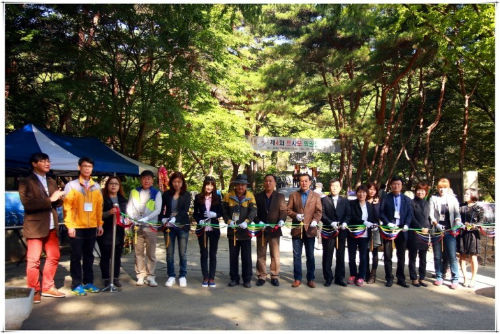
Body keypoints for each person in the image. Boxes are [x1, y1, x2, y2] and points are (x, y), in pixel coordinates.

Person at [19, 153, 66, 303]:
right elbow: (28, 204)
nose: (47, 163)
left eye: (48, 160)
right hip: (35, 226)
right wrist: (50, 200)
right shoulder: (25, 182)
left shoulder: (51, 181)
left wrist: (60, 200)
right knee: (34, 260)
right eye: (43, 161)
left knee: (54, 256)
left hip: (52, 226)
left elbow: (54, 203)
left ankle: (47, 286)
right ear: (34, 164)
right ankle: (33, 290)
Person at [63, 157, 103, 295]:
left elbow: (98, 208)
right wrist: (70, 226)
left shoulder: (96, 187)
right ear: (79, 167)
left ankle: (88, 282)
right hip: (77, 227)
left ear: (92, 169)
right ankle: (76, 285)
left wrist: (99, 224)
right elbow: (67, 208)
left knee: (89, 256)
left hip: (91, 227)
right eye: (85, 166)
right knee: (76, 256)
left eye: (90, 166)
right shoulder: (71, 186)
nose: (87, 168)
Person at [127, 170, 162, 287]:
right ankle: (140, 275)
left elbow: (158, 209)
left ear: (152, 180)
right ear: (141, 180)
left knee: (151, 253)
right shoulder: (134, 192)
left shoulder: (156, 193)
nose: (146, 180)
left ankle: (151, 276)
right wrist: (132, 219)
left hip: (150, 226)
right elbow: (129, 207)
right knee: (138, 252)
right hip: (137, 226)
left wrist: (146, 218)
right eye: (144, 178)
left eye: (149, 178)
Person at [287, 173, 322, 288]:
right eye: (302, 181)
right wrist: (295, 215)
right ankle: (297, 278)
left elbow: (318, 211)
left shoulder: (315, 196)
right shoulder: (294, 195)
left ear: (310, 182)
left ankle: (310, 278)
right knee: (297, 255)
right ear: (299, 182)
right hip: (297, 229)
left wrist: (315, 221)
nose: (304, 183)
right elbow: (288, 210)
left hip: (310, 230)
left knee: (310, 255)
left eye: (306, 181)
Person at [222, 174, 257, 288]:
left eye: (243, 185)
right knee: (233, 256)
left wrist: (247, 222)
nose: (241, 187)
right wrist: (228, 221)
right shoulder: (228, 196)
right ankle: (234, 278)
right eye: (239, 185)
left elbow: (253, 211)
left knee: (246, 257)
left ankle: (247, 279)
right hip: (233, 232)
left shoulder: (250, 196)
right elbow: (224, 211)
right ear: (235, 185)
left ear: (246, 186)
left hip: (245, 232)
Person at [429, 178, 464, 289]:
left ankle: (455, 278)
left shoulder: (453, 199)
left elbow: (457, 214)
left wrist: (458, 221)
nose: (442, 190)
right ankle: (439, 276)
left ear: (448, 188)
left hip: (450, 230)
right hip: (437, 230)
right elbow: (431, 214)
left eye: (444, 188)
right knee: (437, 255)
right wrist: (436, 224)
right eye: (440, 188)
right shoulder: (433, 198)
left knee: (452, 255)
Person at [379, 176, 413, 288]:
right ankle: (389, 277)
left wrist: (407, 225)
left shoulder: (407, 199)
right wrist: (387, 222)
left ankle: (401, 278)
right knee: (388, 255)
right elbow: (381, 212)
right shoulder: (385, 198)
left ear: (401, 186)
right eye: (394, 184)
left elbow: (409, 214)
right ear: (391, 185)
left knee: (401, 255)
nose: (396, 186)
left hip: (402, 230)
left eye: (398, 184)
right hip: (389, 229)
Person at [254, 174, 287, 287]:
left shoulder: (280, 196)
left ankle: (274, 276)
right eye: (266, 181)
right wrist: (258, 221)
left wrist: (282, 220)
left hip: (274, 230)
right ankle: (262, 275)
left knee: (275, 255)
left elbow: (283, 211)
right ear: (264, 183)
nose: (268, 183)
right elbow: (254, 212)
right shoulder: (257, 196)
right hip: (261, 230)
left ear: (274, 183)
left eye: (270, 181)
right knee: (261, 254)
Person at [160, 172, 192, 288]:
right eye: (174, 181)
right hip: (169, 227)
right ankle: (171, 275)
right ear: (171, 182)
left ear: (182, 182)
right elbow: (161, 209)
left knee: (182, 253)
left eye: (179, 182)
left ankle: (183, 275)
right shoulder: (166, 194)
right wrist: (162, 220)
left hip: (182, 226)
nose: (176, 184)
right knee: (169, 253)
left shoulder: (187, 195)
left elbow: (185, 210)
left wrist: (175, 218)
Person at [97, 176, 128, 288]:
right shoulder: (102, 198)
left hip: (119, 231)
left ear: (119, 186)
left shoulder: (123, 199)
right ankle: (106, 278)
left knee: (117, 255)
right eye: (111, 183)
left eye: (116, 183)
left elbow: (126, 214)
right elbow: (98, 214)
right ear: (107, 185)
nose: (114, 185)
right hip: (105, 231)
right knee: (105, 256)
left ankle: (115, 277)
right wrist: (109, 212)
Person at [193, 176, 223, 288]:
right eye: (207, 184)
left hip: (214, 229)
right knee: (204, 253)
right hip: (202, 229)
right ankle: (205, 276)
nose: (209, 187)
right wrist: (199, 220)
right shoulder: (198, 197)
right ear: (204, 185)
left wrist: (215, 214)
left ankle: (212, 277)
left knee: (213, 254)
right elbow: (195, 213)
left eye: (211, 185)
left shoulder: (218, 197)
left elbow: (221, 212)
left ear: (214, 186)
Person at [320, 179, 351, 287]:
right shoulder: (324, 200)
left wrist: (345, 223)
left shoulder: (345, 201)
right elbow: (322, 214)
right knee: (327, 255)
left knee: (340, 255)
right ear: (330, 187)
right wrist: (330, 222)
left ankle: (340, 278)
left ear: (340, 188)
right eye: (332, 186)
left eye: (336, 186)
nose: (334, 188)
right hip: (328, 231)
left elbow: (348, 214)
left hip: (341, 232)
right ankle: (328, 277)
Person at [347, 185, 377, 287]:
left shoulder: (369, 206)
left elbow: (372, 218)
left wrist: (374, 224)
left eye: (364, 192)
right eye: (359, 192)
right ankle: (353, 274)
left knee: (363, 256)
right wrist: (364, 222)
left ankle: (361, 276)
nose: (362, 194)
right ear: (356, 193)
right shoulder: (351, 204)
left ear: (367, 193)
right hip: (353, 233)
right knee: (352, 256)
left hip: (364, 235)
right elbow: (351, 217)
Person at [458, 188, 484, 288]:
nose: (465, 195)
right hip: (462, 233)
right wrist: (460, 224)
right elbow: (457, 218)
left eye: (467, 194)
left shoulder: (478, 208)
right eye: (465, 193)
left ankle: (473, 279)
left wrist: (473, 225)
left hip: (473, 234)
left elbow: (481, 222)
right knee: (462, 257)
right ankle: (465, 278)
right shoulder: (461, 206)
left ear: (473, 195)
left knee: (473, 257)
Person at [408, 182, 431, 287]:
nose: (420, 192)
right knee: (412, 256)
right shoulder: (411, 203)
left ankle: (422, 277)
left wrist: (428, 228)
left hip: (425, 233)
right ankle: (414, 278)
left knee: (423, 257)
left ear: (426, 192)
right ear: (415, 191)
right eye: (418, 190)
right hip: (414, 232)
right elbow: (411, 217)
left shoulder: (427, 203)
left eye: (423, 190)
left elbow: (428, 219)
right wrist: (419, 227)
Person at [365, 182, 382, 284]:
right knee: (365, 251)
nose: (372, 191)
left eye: (374, 189)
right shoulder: (363, 200)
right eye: (370, 189)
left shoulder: (379, 201)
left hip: (375, 229)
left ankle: (373, 274)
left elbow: (378, 216)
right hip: (365, 228)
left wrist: (375, 205)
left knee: (375, 252)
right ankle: (365, 272)